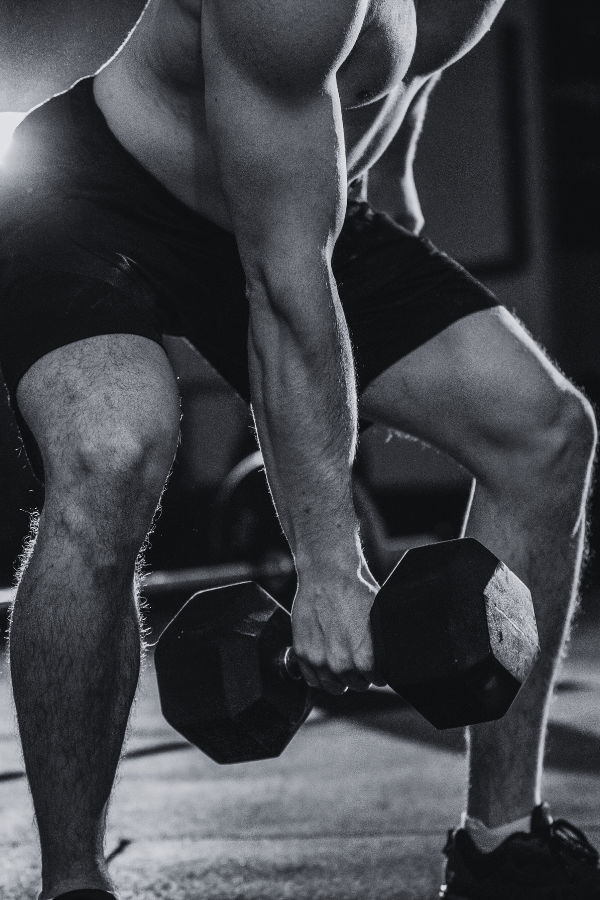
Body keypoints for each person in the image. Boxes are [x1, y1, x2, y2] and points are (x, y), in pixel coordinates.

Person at [0, 1, 598, 898]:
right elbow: (280, 289)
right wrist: (327, 567)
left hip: (297, 199)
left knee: (543, 433)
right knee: (113, 452)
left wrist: (389, 177)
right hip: (97, 195)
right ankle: (73, 881)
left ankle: (501, 841)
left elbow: (413, 63)